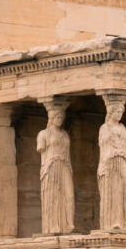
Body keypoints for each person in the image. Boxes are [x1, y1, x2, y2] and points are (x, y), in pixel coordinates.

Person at [37, 100, 74, 234]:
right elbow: (42, 150)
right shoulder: (43, 134)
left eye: (62, 117)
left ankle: (67, 224)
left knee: (68, 195)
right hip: (51, 166)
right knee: (53, 196)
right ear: (51, 119)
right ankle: (53, 226)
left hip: (64, 165)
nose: (60, 119)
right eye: (57, 117)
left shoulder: (65, 134)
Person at [98, 96, 126, 230]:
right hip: (110, 162)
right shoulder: (104, 128)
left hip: (123, 160)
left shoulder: (123, 127)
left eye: (121, 112)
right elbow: (104, 146)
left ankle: (125, 222)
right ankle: (113, 222)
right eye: (117, 112)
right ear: (111, 112)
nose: (119, 114)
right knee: (113, 191)